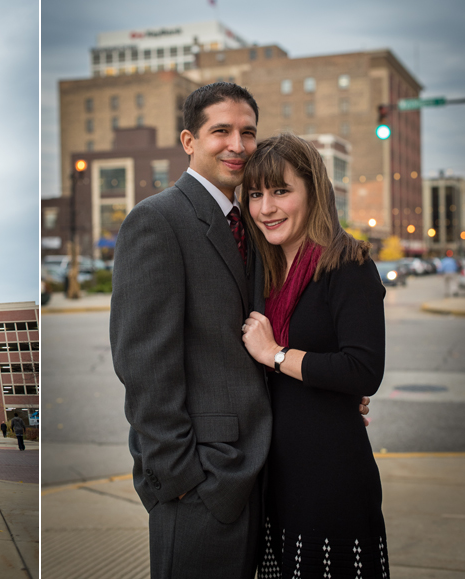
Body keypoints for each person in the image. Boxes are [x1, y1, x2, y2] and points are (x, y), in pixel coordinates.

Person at [111, 82, 271, 578]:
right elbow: (143, 365)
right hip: (203, 481)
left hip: (261, 472)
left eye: (248, 133)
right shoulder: (157, 220)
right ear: (188, 141)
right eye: (220, 131)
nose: (237, 145)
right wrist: (182, 478)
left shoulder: (253, 223)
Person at [240, 133, 389, 577]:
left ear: (313, 192)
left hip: (331, 478)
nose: (266, 208)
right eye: (255, 194)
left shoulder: (348, 263)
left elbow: (363, 370)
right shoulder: (261, 273)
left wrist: (276, 354)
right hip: (272, 479)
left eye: (281, 191)